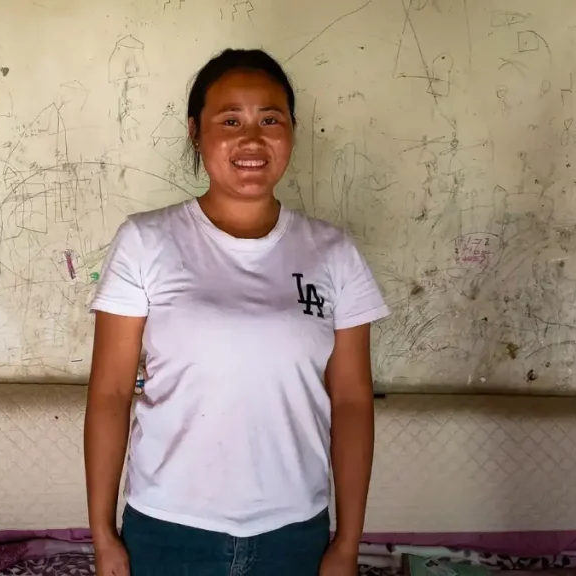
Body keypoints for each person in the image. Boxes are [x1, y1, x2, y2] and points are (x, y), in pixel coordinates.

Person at [84, 48, 389, 576]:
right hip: (167, 529)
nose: (251, 138)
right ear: (195, 132)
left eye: (270, 119)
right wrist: (103, 535)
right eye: (230, 120)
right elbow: (109, 393)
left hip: (295, 532)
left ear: (291, 131)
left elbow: (353, 402)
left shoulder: (334, 253)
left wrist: (347, 543)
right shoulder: (146, 241)